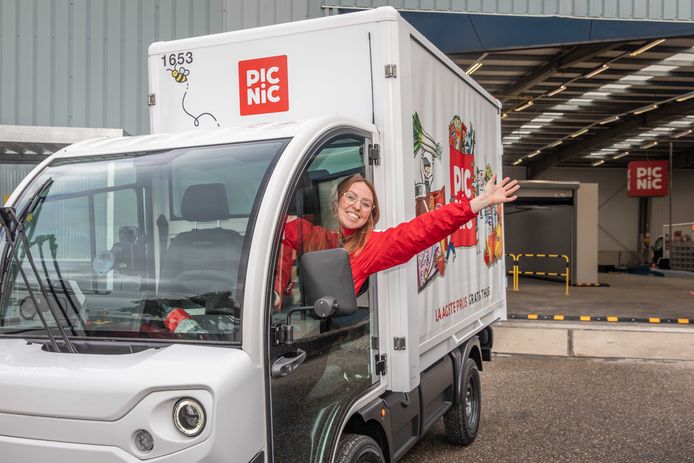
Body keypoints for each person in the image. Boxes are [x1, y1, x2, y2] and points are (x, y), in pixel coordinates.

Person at [273, 173, 519, 308]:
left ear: (371, 214)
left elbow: (423, 229)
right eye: (350, 197)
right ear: (336, 201)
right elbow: (276, 231)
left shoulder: (371, 246)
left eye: (366, 204)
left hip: (333, 335)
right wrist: (276, 288)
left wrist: (478, 203)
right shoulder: (315, 235)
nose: (356, 206)